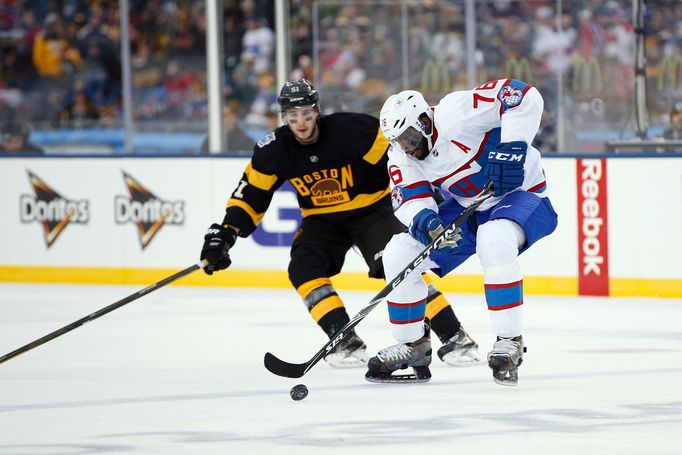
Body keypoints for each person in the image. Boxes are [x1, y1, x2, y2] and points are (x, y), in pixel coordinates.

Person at [199, 79, 482, 369]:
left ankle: (454, 335)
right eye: (293, 117)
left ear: (317, 111)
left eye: (307, 115)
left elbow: (406, 154)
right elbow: (251, 194)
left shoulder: (352, 130)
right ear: (284, 116)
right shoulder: (274, 149)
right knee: (303, 268)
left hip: (372, 210)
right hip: (321, 219)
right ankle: (344, 340)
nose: (301, 123)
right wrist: (225, 234)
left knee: (402, 265)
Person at [368, 79, 558, 385]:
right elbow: (410, 198)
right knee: (399, 252)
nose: (408, 147)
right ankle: (412, 345)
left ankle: (509, 341)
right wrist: (428, 222)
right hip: (470, 206)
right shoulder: (401, 155)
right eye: (400, 141)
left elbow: (520, 95)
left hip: (525, 195)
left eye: (411, 136)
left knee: (494, 239)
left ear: (425, 120)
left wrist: (513, 146)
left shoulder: (457, 111)